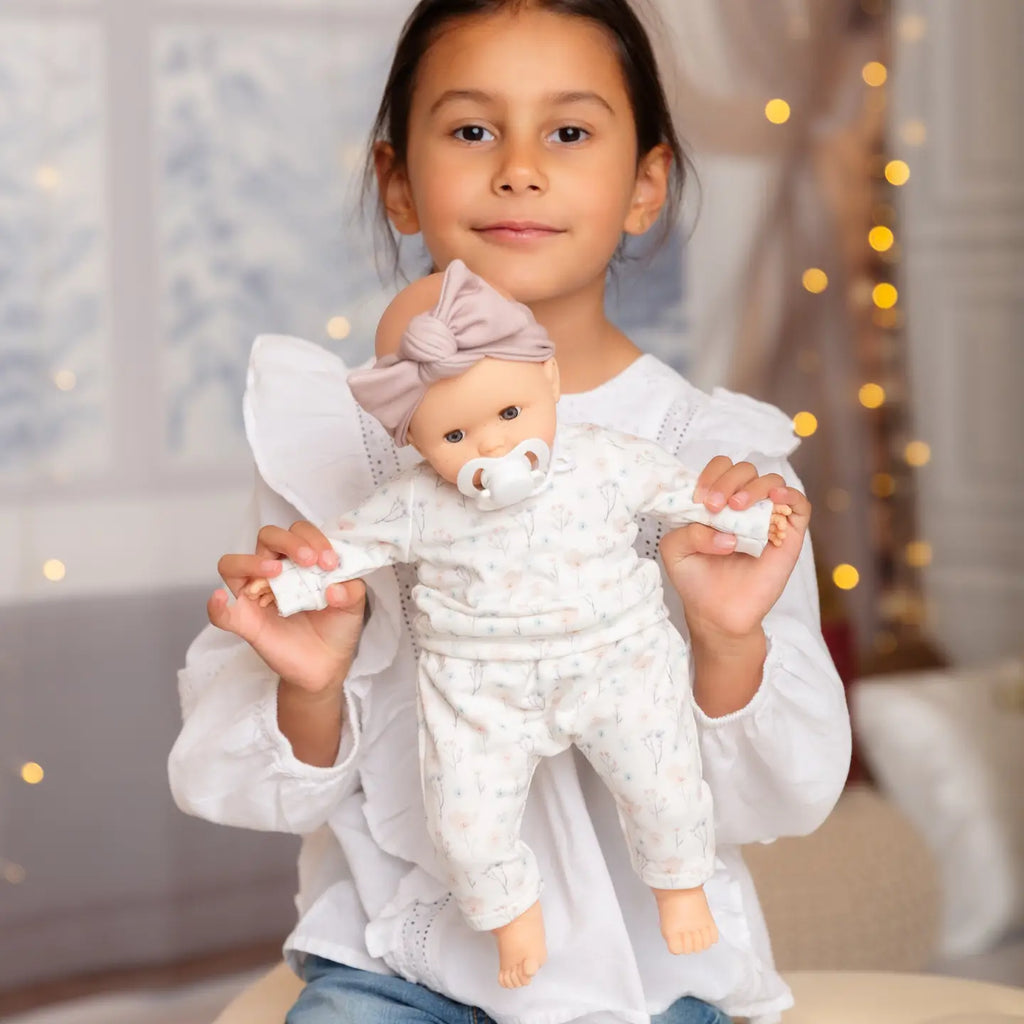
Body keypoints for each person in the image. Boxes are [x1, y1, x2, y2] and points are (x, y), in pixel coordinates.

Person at [168, 2, 852, 1022]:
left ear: (646, 184)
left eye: (568, 131)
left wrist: (725, 642)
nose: (519, 169)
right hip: (394, 968)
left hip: (647, 983)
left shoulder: (710, 464)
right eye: (472, 129)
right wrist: (310, 688)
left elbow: (780, 798)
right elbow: (244, 789)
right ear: (398, 181)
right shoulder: (337, 453)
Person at [244, 259, 792, 989]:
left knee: (664, 786)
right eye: (455, 434)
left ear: (550, 381)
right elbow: (345, 546)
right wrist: (290, 582)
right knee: (465, 825)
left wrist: (753, 521)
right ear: (417, 445)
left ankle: (680, 884)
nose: (493, 447)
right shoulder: (415, 501)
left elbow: (687, 494)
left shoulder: (605, 459)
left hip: (616, 658)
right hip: (479, 688)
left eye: (509, 415)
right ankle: (509, 916)